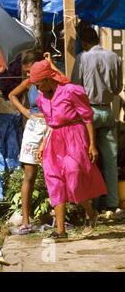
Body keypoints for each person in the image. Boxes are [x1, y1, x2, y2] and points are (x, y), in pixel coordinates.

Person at [31, 60, 107, 241]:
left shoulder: (70, 91)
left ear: (48, 79)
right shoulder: (41, 98)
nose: (37, 87)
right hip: (54, 141)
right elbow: (50, 123)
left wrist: (92, 145)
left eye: (38, 83)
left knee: (73, 177)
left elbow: (87, 117)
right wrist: (43, 144)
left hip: (74, 136)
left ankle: (90, 212)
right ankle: (60, 231)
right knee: (54, 181)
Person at [72, 27, 123, 215]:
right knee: (111, 159)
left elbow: (75, 88)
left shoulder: (82, 58)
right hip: (107, 110)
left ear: (84, 43)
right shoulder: (114, 57)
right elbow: (118, 88)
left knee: (88, 159)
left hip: (88, 112)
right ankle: (112, 203)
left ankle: (93, 203)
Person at [8, 51, 46, 234]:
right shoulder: (29, 82)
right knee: (29, 175)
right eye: (26, 72)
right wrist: (25, 112)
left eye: (31, 71)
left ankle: (61, 213)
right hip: (33, 127)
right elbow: (12, 95)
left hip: (50, 126)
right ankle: (25, 220)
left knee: (54, 173)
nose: (29, 75)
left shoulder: (50, 81)